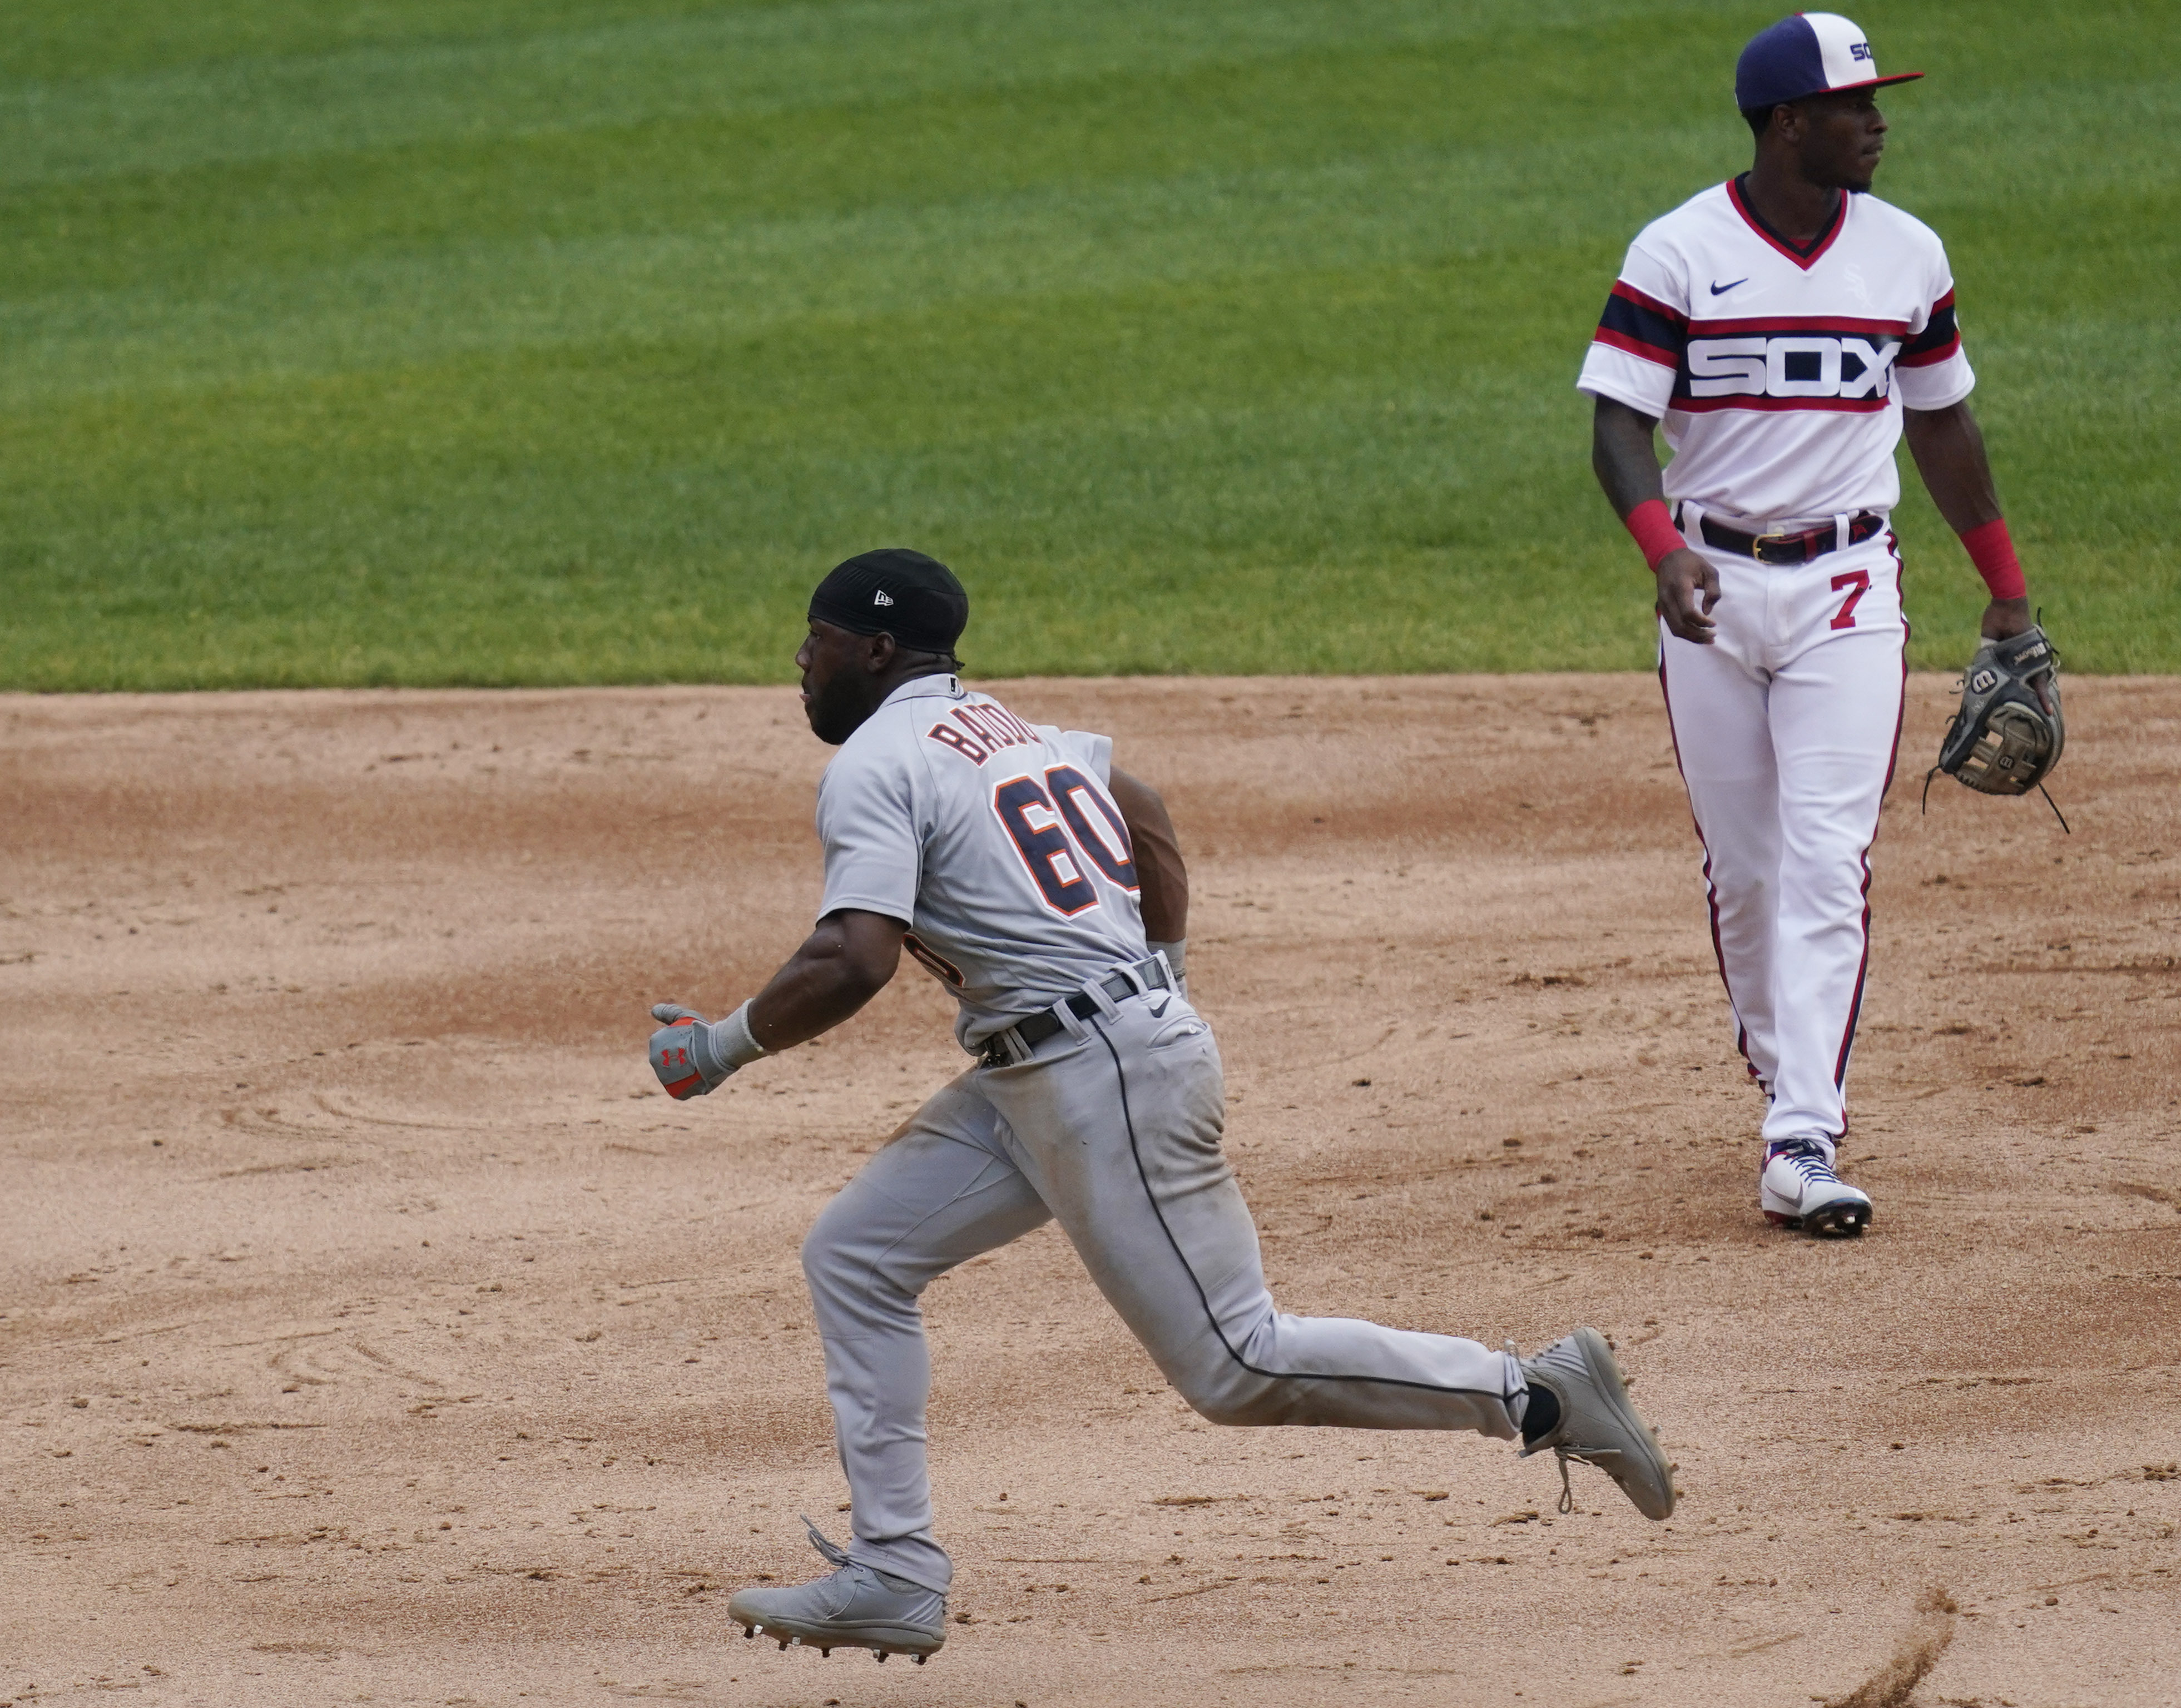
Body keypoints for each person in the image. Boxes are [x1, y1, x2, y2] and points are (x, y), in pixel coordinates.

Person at [643, 548, 1675, 1663]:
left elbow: (854, 959)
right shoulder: (1001, 728)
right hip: (1046, 1073)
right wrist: (1160, 968)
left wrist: (721, 1045)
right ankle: (895, 1572)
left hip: (1101, 1076)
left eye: (820, 637)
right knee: (856, 1255)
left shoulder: (875, 762)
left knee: (1239, 1368)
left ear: (878, 648)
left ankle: (1531, 1392)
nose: (802, 658)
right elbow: (1140, 804)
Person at [1577, 13, 2034, 1239]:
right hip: (1712, 596)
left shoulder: (1906, 254)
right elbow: (1619, 423)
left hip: (1848, 597)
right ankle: (1788, 1084)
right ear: (1790, 123)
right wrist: (1664, 553)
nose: (1880, 122)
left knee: (1830, 859)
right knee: (1748, 877)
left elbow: (1942, 422)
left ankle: (1802, 1135)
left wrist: (2006, 587)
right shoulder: (1678, 251)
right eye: (1856, 105)